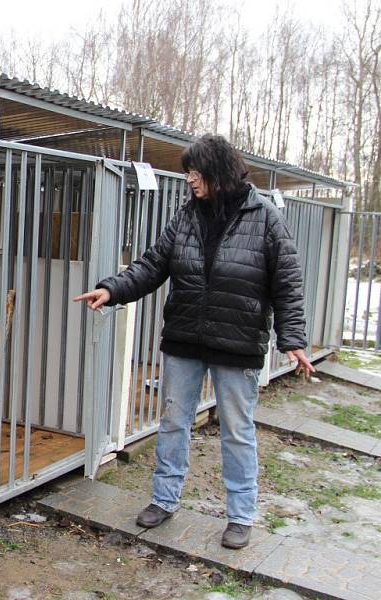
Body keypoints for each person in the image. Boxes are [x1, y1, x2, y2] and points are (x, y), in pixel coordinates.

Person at [74, 134, 315, 550]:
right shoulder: (186, 216)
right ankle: (164, 501)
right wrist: (112, 290)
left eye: (195, 172)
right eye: (189, 173)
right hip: (184, 339)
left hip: (237, 344)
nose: (189, 180)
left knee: (237, 431)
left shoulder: (266, 217)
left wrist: (291, 339)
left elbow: (287, 285)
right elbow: (152, 264)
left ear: (217, 172)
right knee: (172, 422)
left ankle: (240, 516)